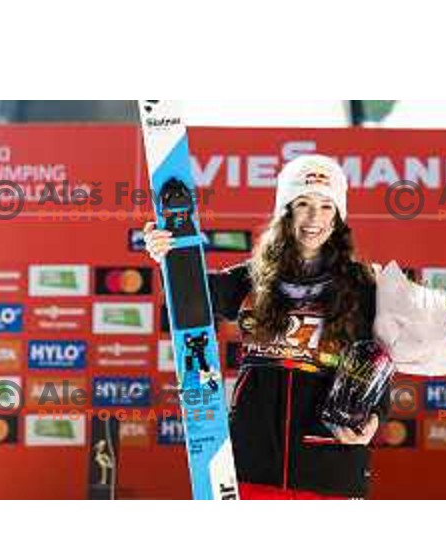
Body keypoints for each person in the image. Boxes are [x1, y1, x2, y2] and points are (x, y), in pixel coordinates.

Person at [144, 154, 387, 500]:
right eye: (302, 203)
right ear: (285, 211)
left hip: (330, 463)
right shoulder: (253, 277)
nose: (313, 217)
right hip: (252, 461)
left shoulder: (364, 285)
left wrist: (375, 415)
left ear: (338, 218)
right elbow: (191, 299)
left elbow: (380, 362)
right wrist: (169, 252)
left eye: (325, 206)